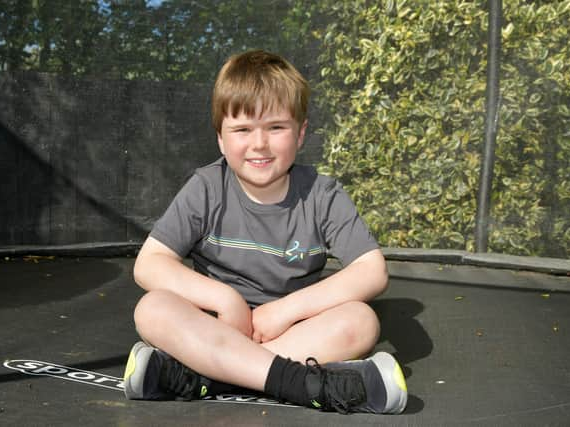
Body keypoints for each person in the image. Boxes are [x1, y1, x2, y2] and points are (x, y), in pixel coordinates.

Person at [122, 49, 407, 414]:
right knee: (153, 309)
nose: (259, 144)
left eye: (275, 127)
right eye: (242, 130)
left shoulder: (323, 194)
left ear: (300, 133)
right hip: (213, 328)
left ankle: (203, 377)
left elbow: (372, 271)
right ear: (221, 140)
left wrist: (286, 310)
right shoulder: (206, 187)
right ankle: (303, 384)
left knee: (361, 321)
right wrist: (226, 300)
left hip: (290, 333)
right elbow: (149, 264)